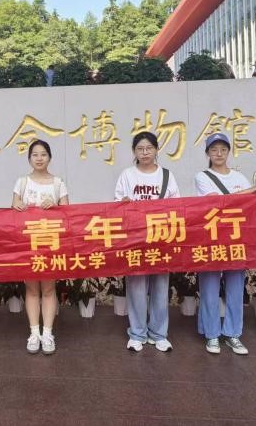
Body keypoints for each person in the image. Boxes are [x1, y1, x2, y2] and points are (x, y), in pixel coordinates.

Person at [194, 133, 256, 355]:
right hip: (211, 239)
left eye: (223, 149)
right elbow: (218, 202)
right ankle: (212, 334)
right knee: (210, 288)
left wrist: (254, 194)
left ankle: (233, 333)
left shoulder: (239, 177)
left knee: (235, 288)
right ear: (207, 153)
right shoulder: (202, 176)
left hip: (236, 239)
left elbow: (250, 205)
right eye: (214, 150)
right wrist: (250, 190)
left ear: (229, 152)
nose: (219, 154)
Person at [115, 131, 180, 353]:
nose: (145, 152)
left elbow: (176, 207)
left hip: (161, 239)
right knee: (136, 287)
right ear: (134, 151)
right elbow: (117, 206)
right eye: (140, 149)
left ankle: (159, 334)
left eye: (149, 148)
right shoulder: (127, 175)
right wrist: (123, 203)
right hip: (135, 239)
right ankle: (137, 333)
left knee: (161, 287)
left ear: (156, 150)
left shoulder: (167, 175)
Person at [12, 139, 69, 354]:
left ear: (50, 157)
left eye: (43, 154)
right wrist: (16, 205)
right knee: (31, 289)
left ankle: (48, 333)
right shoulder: (22, 182)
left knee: (48, 289)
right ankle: (34, 333)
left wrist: (55, 206)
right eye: (35, 154)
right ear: (29, 158)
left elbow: (68, 214)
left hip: (51, 243)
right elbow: (13, 211)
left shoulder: (58, 183)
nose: (39, 158)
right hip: (28, 244)